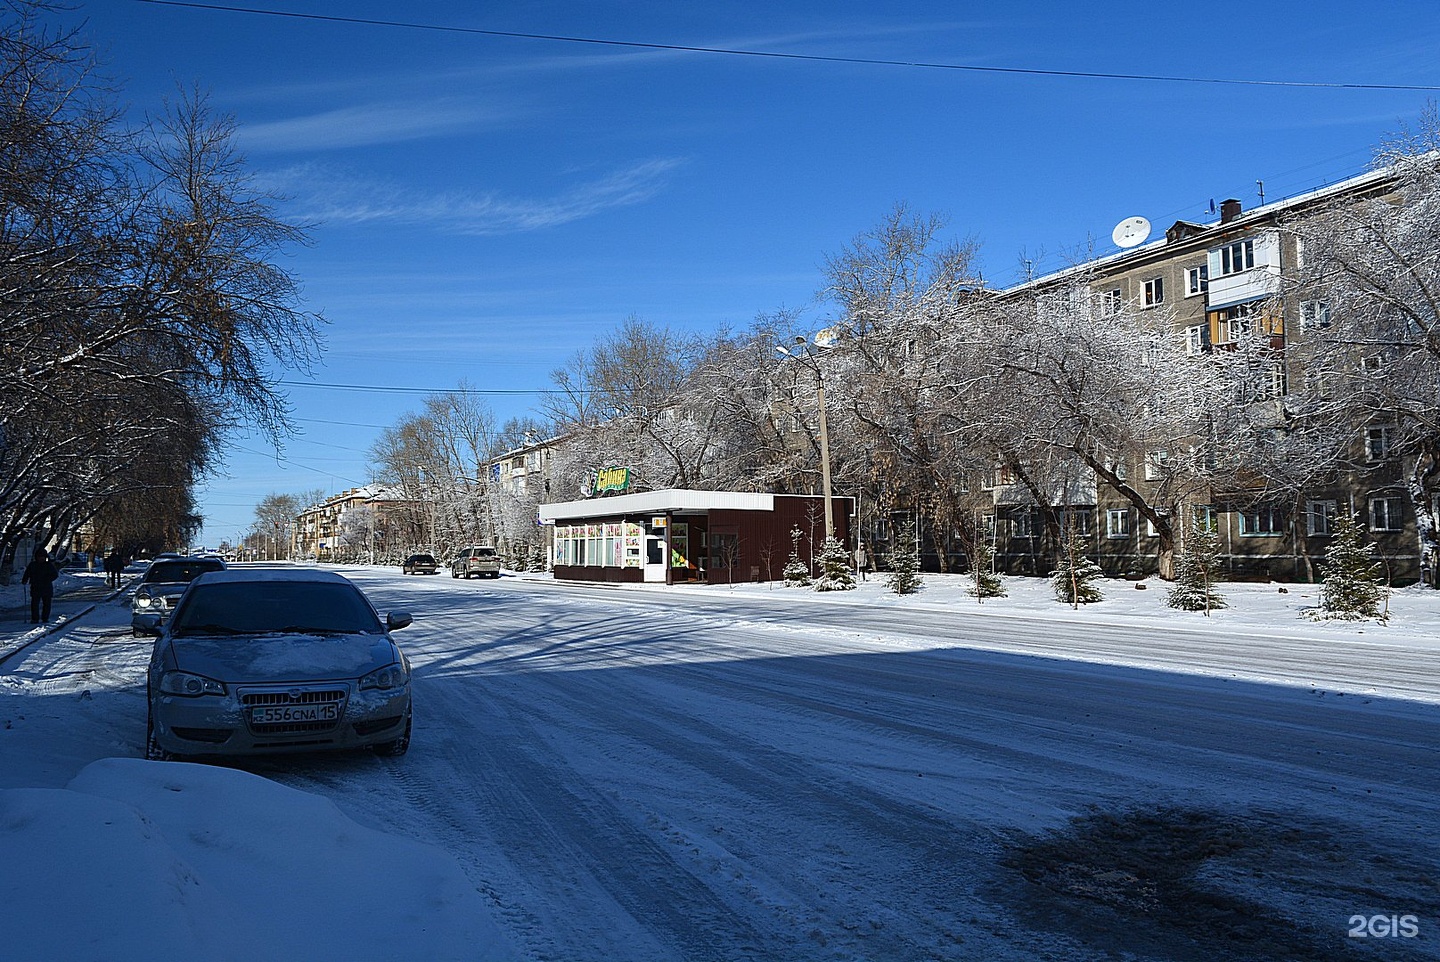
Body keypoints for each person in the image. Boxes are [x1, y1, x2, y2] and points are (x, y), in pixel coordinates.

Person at [21, 547, 60, 625]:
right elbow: (27, 573)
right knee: (35, 603)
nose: (41, 558)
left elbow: (55, 575)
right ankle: (35, 618)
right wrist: (25, 580)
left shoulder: (48, 565)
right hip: (35, 586)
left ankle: (45, 618)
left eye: (42, 557)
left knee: (47, 603)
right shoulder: (33, 565)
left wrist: (47, 579)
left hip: (46, 587)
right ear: (36, 557)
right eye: (39, 557)